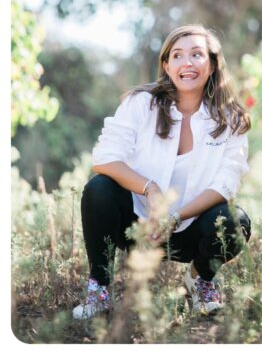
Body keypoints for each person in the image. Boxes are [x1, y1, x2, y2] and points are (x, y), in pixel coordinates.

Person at [72, 25, 252, 319]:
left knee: (236, 220)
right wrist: (150, 189)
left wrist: (175, 216)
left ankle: (200, 279)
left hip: (189, 229)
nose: (187, 63)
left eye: (197, 54)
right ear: (167, 66)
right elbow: (104, 158)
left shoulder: (231, 119)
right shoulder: (141, 103)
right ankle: (100, 289)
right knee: (98, 189)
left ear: (213, 63)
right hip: (138, 224)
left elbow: (226, 185)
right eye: (178, 56)